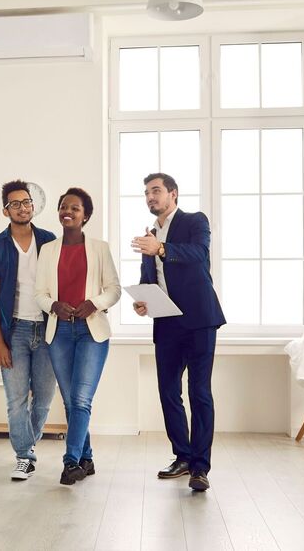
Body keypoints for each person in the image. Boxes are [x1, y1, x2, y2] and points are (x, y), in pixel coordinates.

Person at [130, 173, 225, 492]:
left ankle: (200, 467)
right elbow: (150, 277)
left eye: (156, 191)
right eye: (146, 193)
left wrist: (161, 248)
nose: (150, 197)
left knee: (199, 392)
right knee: (168, 393)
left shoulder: (195, 221)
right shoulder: (149, 236)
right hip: (166, 323)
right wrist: (143, 301)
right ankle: (182, 457)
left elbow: (198, 254)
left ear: (173, 194)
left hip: (200, 320)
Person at [35, 187, 121, 485]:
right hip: (59, 331)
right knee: (71, 401)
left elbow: (114, 289)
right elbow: (40, 294)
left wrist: (93, 304)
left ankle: (70, 462)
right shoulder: (48, 250)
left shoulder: (100, 248)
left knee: (81, 398)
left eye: (74, 208)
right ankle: (86, 458)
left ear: (86, 216)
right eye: (63, 207)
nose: (67, 211)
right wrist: (54, 305)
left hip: (91, 332)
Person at [0, 180, 57, 480]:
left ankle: (28, 445)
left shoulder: (50, 240)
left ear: (33, 206)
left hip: (49, 330)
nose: (23, 207)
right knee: (15, 400)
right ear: (5, 210)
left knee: (44, 399)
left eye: (26, 202)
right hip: (15, 332)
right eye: (15, 203)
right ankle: (24, 456)